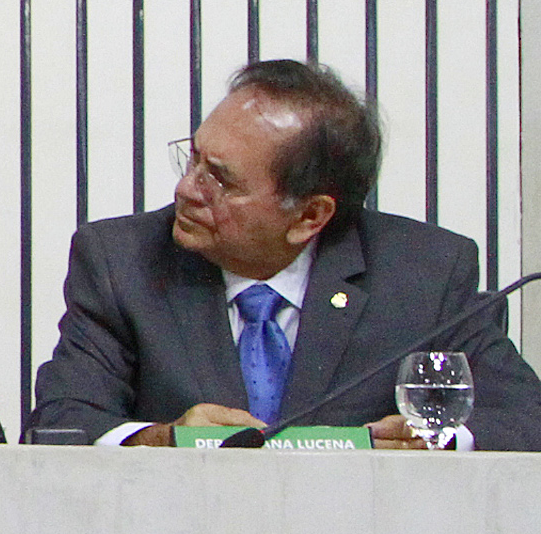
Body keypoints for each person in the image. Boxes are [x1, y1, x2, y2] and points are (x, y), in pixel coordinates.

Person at [28, 57, 541, 448]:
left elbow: (524, 420)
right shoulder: (122, 260)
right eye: (194, 158)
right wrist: (162, 439)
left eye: (221, 180)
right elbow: (59, 426)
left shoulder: (424, 273)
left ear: (310, 216)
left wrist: (438, 439)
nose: (187, 189)